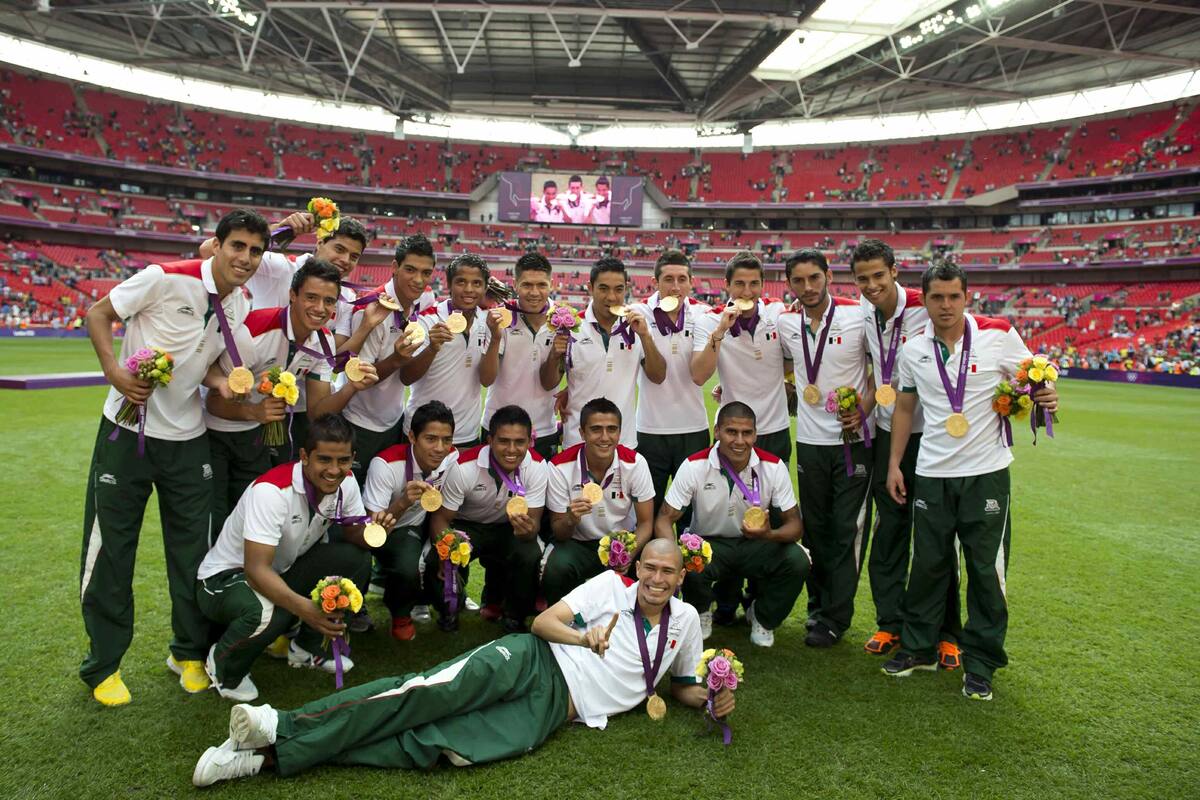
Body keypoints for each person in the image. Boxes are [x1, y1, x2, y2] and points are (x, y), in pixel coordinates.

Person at [191, 539, 727, 787]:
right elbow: (543, 623)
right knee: (421, 694)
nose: (656, 579)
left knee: (434, 746)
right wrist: (584, 641)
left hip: (555, 711)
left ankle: (264, 758)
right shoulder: (611, 585)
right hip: (533, 659)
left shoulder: (683, 622)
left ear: (682, 577)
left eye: (667, 573)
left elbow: (680, 686)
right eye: (649, 568)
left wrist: (716, 697)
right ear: (638, 566)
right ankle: (277, 724)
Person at [80, 208, 269, 706]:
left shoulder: (238, 305)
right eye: (238, 247)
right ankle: (104, 665)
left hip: (188, 439)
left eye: (255, 251)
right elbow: (98, 314)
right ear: (219, 245)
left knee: (194, 554)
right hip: (127, 432)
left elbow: (202, 367)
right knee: (112, 550)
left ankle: (187, 653)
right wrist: (115, 373)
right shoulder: (165, 277)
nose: (245, 258)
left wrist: (220, 381)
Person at [882, 263, 1059, 702]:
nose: (945, 305)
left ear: (967, 297)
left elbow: (1037, 376)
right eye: (936, 297)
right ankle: (919, 646)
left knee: (985, 569)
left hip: (986, 474)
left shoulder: (998, 333)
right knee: (927, 565)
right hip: (933, 472)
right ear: (923, 300)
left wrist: (1047, 396)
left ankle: (981, 662)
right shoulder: (912, 350)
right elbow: (904, 409)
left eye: (953, 297)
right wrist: (895, 464)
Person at [194, 414, 394, 701]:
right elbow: (255, 570)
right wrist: (306, 609)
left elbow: (353, 536)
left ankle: (307, 648)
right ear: (304, 456)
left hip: (281, 568)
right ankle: (223, 665)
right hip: (225, 579)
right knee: (267, 611)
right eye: (324, 460)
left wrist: (378, 529)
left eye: (343, 461)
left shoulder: (347, 482)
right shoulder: (272, 492)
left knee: (356, 560)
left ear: (352, 459)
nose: (334, 470)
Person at [851, 239, 961, 666]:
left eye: (879, 275)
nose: (872, 284)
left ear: (895, 271)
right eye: (863, 278)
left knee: (937, 536)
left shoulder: (925, 305)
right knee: (890, 532)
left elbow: (972, 326)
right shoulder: (860, 309)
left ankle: (947, 632)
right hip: (885, 435)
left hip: (933, 438)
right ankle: (890, 621)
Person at [776, 248, 873, 649]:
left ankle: (836, 616)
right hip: (811, 443)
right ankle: (818, 611)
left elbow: (880, 369)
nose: (808, 287)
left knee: (845, 530)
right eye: (798, 280)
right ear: (789, 284)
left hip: (853, 443)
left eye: (814, 278)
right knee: (815, 530)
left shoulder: (858, 317)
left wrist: (864, 409)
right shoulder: (784, 323)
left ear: (828, 275)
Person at [654, 401, 808, 647]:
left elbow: (795, 526)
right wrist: (672, 555)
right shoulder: (694, 465)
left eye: (747, 433)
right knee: (687, 553)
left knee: (797, 560)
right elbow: (665, 517)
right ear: (717, 432)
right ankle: (701, 611)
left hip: (756, 544)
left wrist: (768, 534)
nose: (739, 440)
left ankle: (762, 617)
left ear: (755, 434)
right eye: (731, 432)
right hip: (710, 545)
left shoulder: (773, 466)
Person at [426, 405, 549, 633]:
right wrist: (447, 547)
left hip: (508, 528)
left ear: (529, 442)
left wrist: (528, 530)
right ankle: (449, 609)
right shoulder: (464, 467)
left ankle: (515, 615)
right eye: (503, 441)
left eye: (519, 442)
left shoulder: (538, 467)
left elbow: (534, 524)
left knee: (530, 553)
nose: (511, 450)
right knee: (437, 557)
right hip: (466, 527)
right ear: (490, 440)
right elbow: (440, 519)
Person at [540, 257, 666, 450]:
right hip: (577, 440)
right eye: (603, 288)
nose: (611, 297)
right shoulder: (571, 327)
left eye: (618, 289)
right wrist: (553, 356)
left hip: (623, 442)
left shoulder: (638, 326)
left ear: (626, 288)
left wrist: (646, 337)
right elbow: (548, 383)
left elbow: (658, 376)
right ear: (590, 288)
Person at [340, 234, 435, 483]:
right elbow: (361, 377)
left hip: (393, 420)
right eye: (410, 270)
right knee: (353, 490)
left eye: (426, 273)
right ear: (394, 268)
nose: (418, 280)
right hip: (359, 422)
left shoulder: (425, 299)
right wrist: (396, 359)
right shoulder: (372, 310)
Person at [362, 401, 458, 641]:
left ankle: (430, 601)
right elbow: (372, 529)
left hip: (418, 525)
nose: (439, 448)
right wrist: (403, 502)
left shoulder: (451, 458)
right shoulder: (385, 465)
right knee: (407, 566)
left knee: (454, 550)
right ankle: (400, 614)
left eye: (446, 440)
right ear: (412, 437)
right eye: (431, 439)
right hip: (384, 530)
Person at [543, 398, 655, 603]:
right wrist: (570, 519)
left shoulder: (635, 463)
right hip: (579, 544)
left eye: (612, 429)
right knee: (556, 567)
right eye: (596, 429)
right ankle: (561, 622)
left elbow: (646, 523)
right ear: (582, 432)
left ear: (620, 433)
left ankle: (639, 620)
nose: (605, 437)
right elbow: (559, 532)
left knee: (654, 562)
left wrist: (628, 552)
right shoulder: (559, 467)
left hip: (622, 540)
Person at [630, 249, 711, 525]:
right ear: (655, 282)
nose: (675, 286)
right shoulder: (639, 313)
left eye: (681, 279)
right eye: (668, 279)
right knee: (647, 514)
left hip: (694, 429)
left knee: (691, 516)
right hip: (650, 431)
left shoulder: (703, 314)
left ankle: (689, 568)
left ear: (691, 282)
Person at [691, 251, 791, 463]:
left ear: (763, 284)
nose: (747, 292)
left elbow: (791, 358)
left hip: (776, 428)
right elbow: (699, 376)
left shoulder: (778, 311)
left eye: (754, 283)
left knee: (776, 496)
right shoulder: (710, 320)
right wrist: (720, 331)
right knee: (730, 495)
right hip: (733, 430)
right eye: (739, 284)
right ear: (727, 284)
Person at [400, 253, 494, 449]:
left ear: (485, 288)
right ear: (449, 285)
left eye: (476, 283)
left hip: (467, 434)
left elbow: (487, 380)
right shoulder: (426, 320)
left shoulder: (487, 322)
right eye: (461, 282)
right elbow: (406, 377)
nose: (469, 289)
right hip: (423, 434)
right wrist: (432, 348)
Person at [480, 252, 559, 459]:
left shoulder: (563, 321)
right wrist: (496, 338)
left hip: (543, 429)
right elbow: (486, 380)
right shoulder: (500, 317)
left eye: (541, 285)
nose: (534, 292)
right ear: (515, 284)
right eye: (527, 285)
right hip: (499, 428)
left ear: (552, 284)